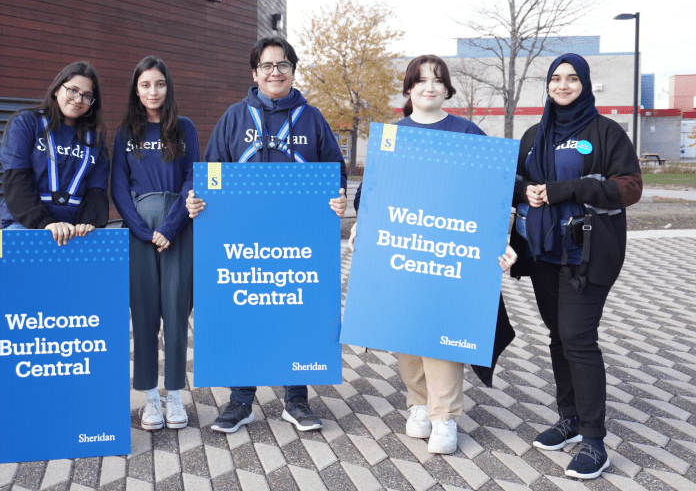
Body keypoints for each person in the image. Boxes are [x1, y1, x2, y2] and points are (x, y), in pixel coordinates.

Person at [349, 54, 517, 455]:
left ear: (447, 88)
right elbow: (371, 192)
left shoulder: (467, 133)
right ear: (408, 88)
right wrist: (363, 223)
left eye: (437, 80)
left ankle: (445, 416)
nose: (429, 86)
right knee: (406, 327)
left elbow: (490, 194)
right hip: (405, 252)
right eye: (420, 80)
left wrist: (500, 239)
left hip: (449, 250)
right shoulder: (393, 135)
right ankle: (418, 403)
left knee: (443, 331)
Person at [186, 36, 348, 434]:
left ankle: (296, 400)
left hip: (298, 241)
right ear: (255, 73)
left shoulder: (312, 118)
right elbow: (210, 173)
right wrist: (197, 201)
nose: (275, 72)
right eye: (267, 66)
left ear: (293, 70)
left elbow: (335, 172)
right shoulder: (234, 117)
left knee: (296, 310)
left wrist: (338, 199)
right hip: (243, 242)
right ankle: (241, 402)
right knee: (246, 311)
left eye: (283, 65)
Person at [509, 53, 642, 479]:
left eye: (571, 79)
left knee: (577, 337)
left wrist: (567, 188)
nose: (562, 85)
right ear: (547, 85)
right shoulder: (534, 134)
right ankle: (568, 419)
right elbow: (512, 181)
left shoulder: (605, 132)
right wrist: (526, 191)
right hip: (543, 251)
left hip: (587, 253)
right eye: (555, 79)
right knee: (557, 337)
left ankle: (594, 441)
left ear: (584, 84)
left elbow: (630, 186)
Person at [111, 56, 199, 431]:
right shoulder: (124, 133)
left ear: (168, 87)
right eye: (145, 84)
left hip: (178, 228)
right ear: (136, 88)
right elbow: (118, 187)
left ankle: (175, 395)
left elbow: (194, 177)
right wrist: (145, 231)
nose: (152, 91)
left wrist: (172, 224)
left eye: (159, 84)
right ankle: (148, 397)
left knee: (177, 312)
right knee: (144, 315)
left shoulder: (184, 128)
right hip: (139, 232)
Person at [0, 61, 109, 242]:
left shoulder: (96, 141)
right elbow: (15, 181)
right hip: (28, 225)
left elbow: (96, 192)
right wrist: (46, 223)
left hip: (74, 231)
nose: (79, 99)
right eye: (72, 90)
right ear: (57, 89)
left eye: (87, 96)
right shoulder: (25, 123)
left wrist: (88, 223)